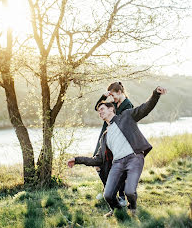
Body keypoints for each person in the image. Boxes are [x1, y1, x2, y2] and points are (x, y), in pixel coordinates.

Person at [68, 86, 166, 217]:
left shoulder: (126, 116)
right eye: (98, 112)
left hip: (134, 158)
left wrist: (155, 94)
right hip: (118, 163)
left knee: (130, 191)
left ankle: (133, 208)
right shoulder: (105, 136)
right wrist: (77, 159)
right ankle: (117, 210)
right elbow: (97, 159)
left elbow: (145, 108)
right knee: (107, 195)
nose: (100, 113)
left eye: (102, 109)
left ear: (111, 109)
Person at [94, 82, 133, 206]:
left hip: (117, 138)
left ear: (120, 92)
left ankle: (121, 196)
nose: (113, 97)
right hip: (105, 135)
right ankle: (108, 191)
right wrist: (103, 97)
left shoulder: (128, 105)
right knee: (98, 163)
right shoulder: (113, 104)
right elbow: (98, 108)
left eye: (113, 94)